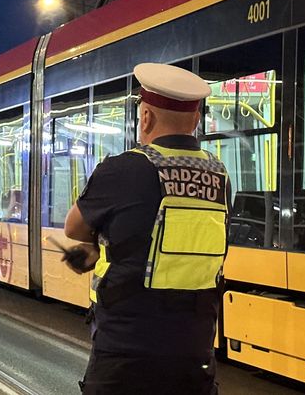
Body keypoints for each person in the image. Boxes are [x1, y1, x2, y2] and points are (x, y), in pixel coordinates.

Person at [63, 62, 231, 395]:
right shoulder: (219, 176)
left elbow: (73, 227)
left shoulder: (123, 168)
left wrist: (96, 246)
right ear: (196, 121)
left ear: (145, 118)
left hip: (127, 352)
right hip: (195, 350)